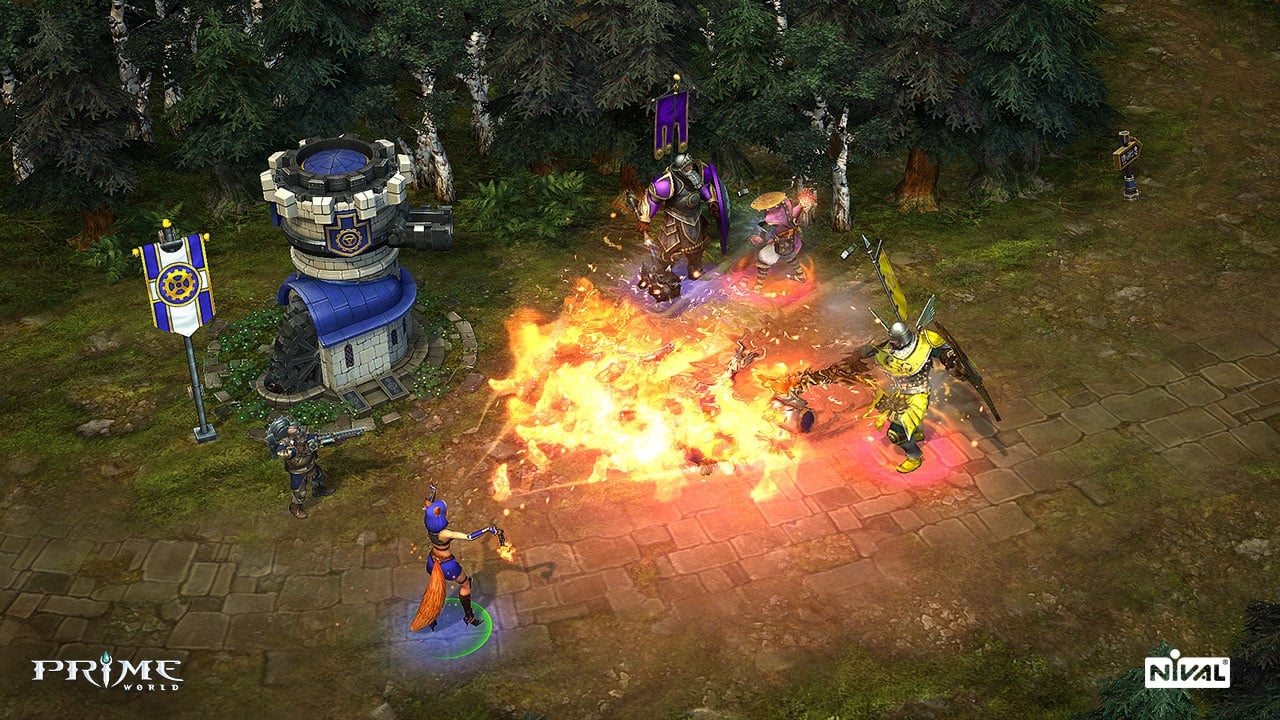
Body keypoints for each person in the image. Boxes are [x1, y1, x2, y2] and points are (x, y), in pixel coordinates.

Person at [410, 489, 505, 631]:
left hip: (432, 561)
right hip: (447, 566)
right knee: (466, 584)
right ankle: (469, 617)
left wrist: (433, 492)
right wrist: (488, 529)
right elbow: (469, 537)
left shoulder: (429, 523)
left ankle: (430, 617)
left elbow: (428, 502)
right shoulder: (445, 533)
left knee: (435, 589)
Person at [266, 416, 334, 519]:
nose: (298, 433)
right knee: (299, 492)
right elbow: (280, 453)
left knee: (318, 477)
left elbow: (318, 440)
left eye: (298, 430)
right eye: (295, 432)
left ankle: (319, 490)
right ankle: (295, 507)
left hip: (310, 465)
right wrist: (295, 451)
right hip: (297, 471)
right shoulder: (284, 442)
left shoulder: (305, 437)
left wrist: (331, 440)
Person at [748, 189, 816, 293]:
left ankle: (758, 286)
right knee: (789, 257)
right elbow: (766, 228)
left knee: (764, 258)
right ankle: (800, 276)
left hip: (786, 241)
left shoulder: (772, 215)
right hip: (787, 240)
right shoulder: (786, 204)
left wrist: (760, 237)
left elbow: (767, 226)